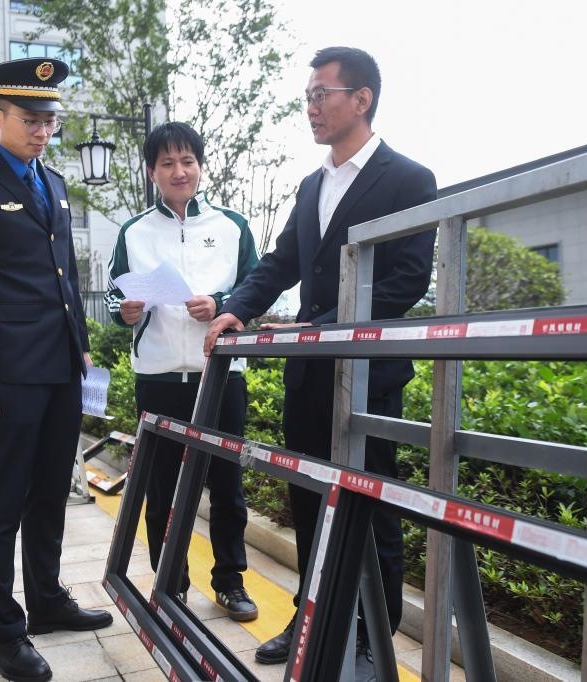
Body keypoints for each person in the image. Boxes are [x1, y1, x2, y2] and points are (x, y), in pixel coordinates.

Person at [203, 46, 437, 672]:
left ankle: (371, 638)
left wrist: (324, 326)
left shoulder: (408, 179)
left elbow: (406, 280)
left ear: (361, 99)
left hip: (366, 376)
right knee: (309, 502)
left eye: (320, 95)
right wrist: (235, 309)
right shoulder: (312, 185)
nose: (310, 107)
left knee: (370, 507)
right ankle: (310, 620)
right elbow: (281, 262)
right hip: (309, 374)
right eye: (307, 96)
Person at [0, 57, 112, 682]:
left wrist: (81, 346)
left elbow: (66, 278)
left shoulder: (53, 183)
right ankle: (4, 635)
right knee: (0, 502)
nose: (42, 131)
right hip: (8, 372)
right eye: (30, 120)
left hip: (60, 366)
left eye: (49, 121)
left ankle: (47, 598)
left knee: (52, 492)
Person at [104, 122, 260, 622]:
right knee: (161, 487)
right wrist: (124, 310)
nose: (179, 171)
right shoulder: (134, 231)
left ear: (199, 165)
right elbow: (112, 294)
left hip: (222, 375)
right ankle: (170, 583)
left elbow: (257, 288)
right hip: (158, 377)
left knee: (227, 485)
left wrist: (221, 302)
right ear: (152, 171)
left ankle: (230, 582)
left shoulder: (231, 225)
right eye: (167, 163)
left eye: (187, 161)